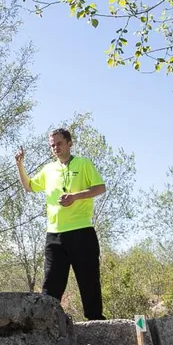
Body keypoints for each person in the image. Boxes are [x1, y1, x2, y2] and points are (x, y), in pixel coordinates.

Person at [15, 128, 108, 321]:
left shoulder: (83, 164)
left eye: (59, 143)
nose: (55, 148)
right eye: (52, 145)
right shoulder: (49, 169)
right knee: (50, 286)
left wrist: (75, 196)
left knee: (89, 282)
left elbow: (100, 187)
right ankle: (45, 324)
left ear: (69, 143)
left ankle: (96, 324)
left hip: (82, 232)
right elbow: (29, 186)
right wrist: (20, 165)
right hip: (54, 235)